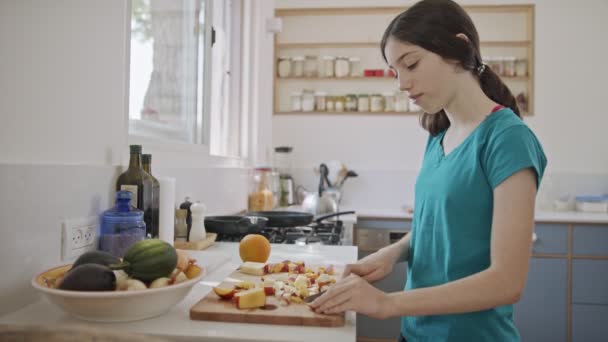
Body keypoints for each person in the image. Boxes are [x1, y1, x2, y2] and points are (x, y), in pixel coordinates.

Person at [309, 0, 547, 341]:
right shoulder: (440, 138)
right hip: (415, 333)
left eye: (411, 64)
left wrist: (388, 304)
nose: (402, 84)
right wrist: (394, 253)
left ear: (460, 49)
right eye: (395, 72)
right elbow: (438, 226)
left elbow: (506, 282)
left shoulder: (508, 139)